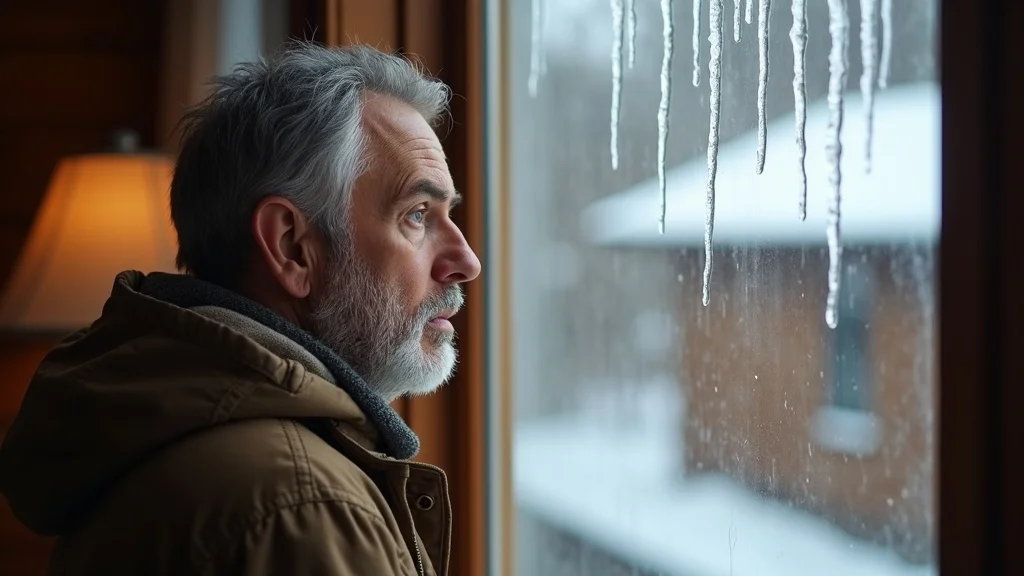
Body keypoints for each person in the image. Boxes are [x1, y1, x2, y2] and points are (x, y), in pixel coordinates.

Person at [0, 42, 480, 576]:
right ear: (291, 246)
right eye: (417, 214)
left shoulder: (168, 439)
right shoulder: (302, 506)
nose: (466, 262)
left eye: (447, 214)